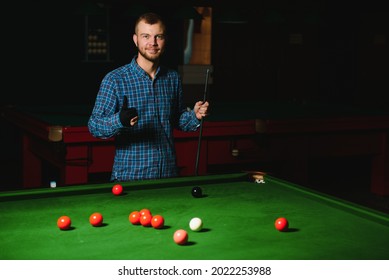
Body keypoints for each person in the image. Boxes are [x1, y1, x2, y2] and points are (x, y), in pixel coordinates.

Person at [88, 12, 209, 182]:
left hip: (168, 175)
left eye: (158, 36)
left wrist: (194, 116)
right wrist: (119, 121)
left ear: (164, 40)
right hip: (130, 178)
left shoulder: (172, 78)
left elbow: (177, 119)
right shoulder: (115, 79)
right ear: (136, 40)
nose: (152, 43)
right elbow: (94, 126)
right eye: (146, 36)